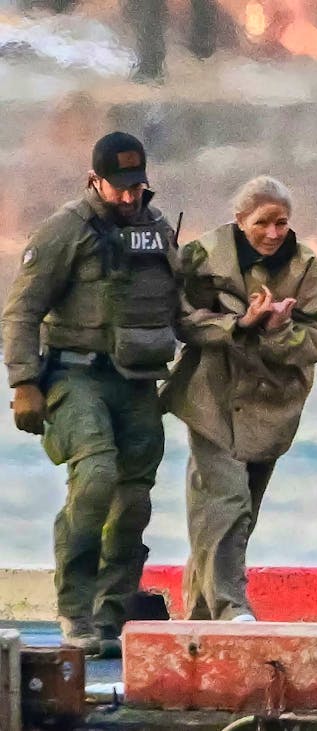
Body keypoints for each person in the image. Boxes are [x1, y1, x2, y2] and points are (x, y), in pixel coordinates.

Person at [3, 131, 179, 655]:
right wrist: (23, 382)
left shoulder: (155, 229)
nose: (128, 196)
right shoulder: (65, 231)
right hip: (74, 375)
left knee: (134, 500)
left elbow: (179, 300)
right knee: (96, 475)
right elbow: (22, 310)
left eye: (136, 186)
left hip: (137, 378)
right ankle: (75, 611)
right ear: (94, 181)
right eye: (118, 186)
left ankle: (110, 616)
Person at [160, 175, 317, 621]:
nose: (273, 233)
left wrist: (280, 329)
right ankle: (230, 607)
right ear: (240, 220)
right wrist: (238, 323)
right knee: (226, 503)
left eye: (282, 223)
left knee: (240, 511)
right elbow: (180, 318)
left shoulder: (303, 266)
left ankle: (201, 614)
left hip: (270, 405)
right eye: (262, 223)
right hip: (212, 399)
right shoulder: (204, 256)